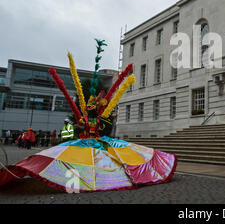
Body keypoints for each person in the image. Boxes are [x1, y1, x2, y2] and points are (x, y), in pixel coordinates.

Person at [0, 42, 177, 192]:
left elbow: (102, 123)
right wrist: (77, 128)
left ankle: (108, 179)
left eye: (95, 106)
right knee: (77, 162)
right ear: (87, 108)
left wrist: (98, 116)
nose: (93, 108)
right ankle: (75, 180)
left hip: (99, 144)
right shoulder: (85, 119)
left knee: (114, 161)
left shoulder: (97, 118)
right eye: (91, 106)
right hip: (84, 145)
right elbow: (80, 127)